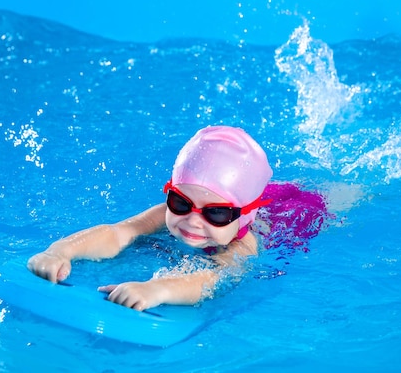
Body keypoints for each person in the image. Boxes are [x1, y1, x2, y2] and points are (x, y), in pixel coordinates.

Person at [27, 126, 273, 311]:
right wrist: (60, 251)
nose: (193, 221)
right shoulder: (167, 214)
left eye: (216, 213)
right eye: (180, 202)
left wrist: (158, 289)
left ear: (243, 217)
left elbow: (214, 278)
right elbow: (120, 232)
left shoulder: (243, 245)